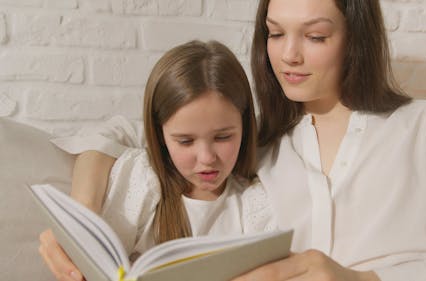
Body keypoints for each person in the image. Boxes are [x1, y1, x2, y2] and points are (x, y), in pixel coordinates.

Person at [41, 0, 426, 280]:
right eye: (275, 34)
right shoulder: (256, 146)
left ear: (354, 39)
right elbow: (123, 134)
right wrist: (80, 221)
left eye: (315, 36)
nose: (289, 55)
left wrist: (366, 279)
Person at [38, 40, 277, 281]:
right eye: (185, 141)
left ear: (245, 127)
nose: (206, 158)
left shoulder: (254, 203)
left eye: (223, 137)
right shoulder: (142, 182)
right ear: (161, 135)